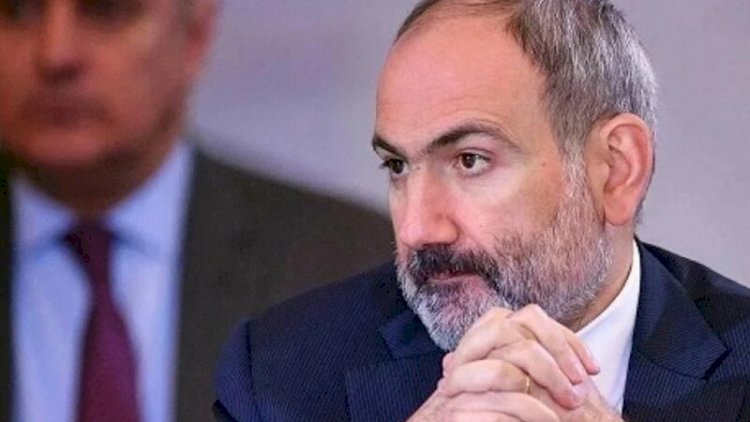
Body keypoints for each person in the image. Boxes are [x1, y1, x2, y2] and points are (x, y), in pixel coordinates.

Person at [213, 0, 750, 421]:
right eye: (397, 166)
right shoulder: (283, 377)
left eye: (470, 160)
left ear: (615, 170)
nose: (419, 229)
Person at [0, 0, 394, 420]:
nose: (56, 54)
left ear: (195, 34)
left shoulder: (349, 264)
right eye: (18, 12)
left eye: (108, 12)